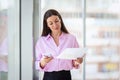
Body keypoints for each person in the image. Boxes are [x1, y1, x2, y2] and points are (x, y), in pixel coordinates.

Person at [35, 9, 83, 80]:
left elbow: (75, 61)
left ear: (60, 20)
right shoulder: (42, 41)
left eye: (56, 21)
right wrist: (43, 62)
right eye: (51, 23)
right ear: (47, 25)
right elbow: (36, 63)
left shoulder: (71, 38)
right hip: (49, 77)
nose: (55, 25)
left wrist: (78, 61)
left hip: (66, 76)